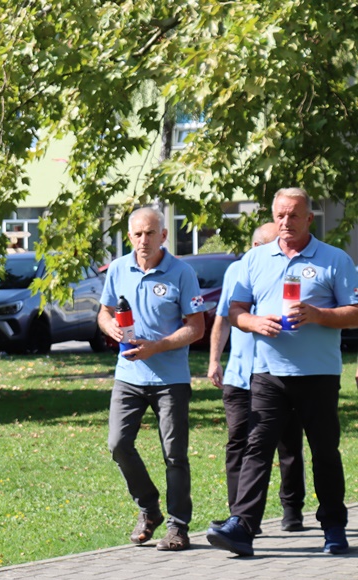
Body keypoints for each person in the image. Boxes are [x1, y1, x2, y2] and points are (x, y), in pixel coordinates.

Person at [207, 187, 358, 557]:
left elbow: (354, 313)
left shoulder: (334, 259)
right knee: (256, 449)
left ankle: (334, 528)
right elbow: (236, 311)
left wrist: (317, 314)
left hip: (317, 373)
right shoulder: (255, 259)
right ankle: (242, 527)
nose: (285, 222)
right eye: (280, 215)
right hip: (267, 373)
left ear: (309, 218)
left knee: (324, 452)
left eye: (293, 215)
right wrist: (255, 322)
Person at [98, 207, 206, 552]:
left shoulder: (182, 272)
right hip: (128, 376)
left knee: (174, 455)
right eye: (137, 234)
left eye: (150, 233)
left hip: (170, 379)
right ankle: (149, 508)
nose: (143, 240)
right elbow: (104, 313)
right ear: (130, 236)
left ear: (163, 235)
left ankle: (178, 526)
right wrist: (111, 328)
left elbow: (196, 327)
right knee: (118, 444)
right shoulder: (118, 269)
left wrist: (157, 346)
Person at [207, 222, 306, 533]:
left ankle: (292, 509)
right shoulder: (237, 271)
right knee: (239, 444)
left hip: (279, 372)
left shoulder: (290, 269)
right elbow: (223, 319)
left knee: (289, 443)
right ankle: (239, 516)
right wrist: (214, 360)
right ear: (255, 247)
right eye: (272, 244)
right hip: (240, 375)